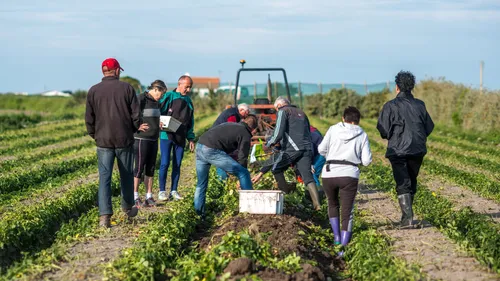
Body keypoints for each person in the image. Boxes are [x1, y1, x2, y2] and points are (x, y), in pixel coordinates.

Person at [85, 58, 147, 228]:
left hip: (103, 141)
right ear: (117, 71)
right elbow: (136, 115)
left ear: (103, 71)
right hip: (123, 139)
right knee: (126, 174)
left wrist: (95, 135)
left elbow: (89, 118)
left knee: (104, 177)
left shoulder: (93, 91)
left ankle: (104, 217)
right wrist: (135, 128)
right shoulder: (127, 88)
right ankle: (127, 209)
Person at [377, 71, 434, 227]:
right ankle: (407, 216)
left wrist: (392, 136)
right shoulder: (420, 105)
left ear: (397, 87)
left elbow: (383, 129)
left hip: (398, 150)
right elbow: (429, 127)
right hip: (418, 149)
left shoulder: (390, 106)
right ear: (412, 87)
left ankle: (407, 219)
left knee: (403, 182)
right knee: (412, 180)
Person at [318, 106, 372, 256]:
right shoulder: (362, 134)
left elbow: (321, 149)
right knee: (347, 211)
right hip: (349, 174)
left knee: (332, 204)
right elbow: (367, 161)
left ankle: (336, 237)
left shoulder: (333, 129)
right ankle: (343, 246)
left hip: (329, 172)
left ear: (343, 118)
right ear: (358, 120)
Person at [264, 96, 322, 210]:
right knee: (307, 177)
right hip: (307, 148)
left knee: (276, 169)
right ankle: (317, 205)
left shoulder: (282, 111)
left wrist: (268, 143)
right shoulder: (302, 113)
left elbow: (278, 133)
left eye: (276, 109)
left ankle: (286, 197)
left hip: (293, 148)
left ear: (279, 106)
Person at [194, 116, 258, 217]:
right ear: (253, 129)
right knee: (244, 173)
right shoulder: (245, 133)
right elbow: (242, 157)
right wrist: (240, 176)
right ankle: (251, 208)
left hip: (200, 145)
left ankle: (199, 215)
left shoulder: (231, 124)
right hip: (211, 150)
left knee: (201, 184)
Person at [158, 75, 195, 201]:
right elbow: (158, 110)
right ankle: (162, 191)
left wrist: (190, 138)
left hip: (181, 136)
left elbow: (191, 122)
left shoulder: (189, 102)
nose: (188, 90)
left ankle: (173, 190)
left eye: (190, 87)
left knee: (177, 164)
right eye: (187, 87)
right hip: (166, 135)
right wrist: (158, 121)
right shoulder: (169, 96)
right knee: (164, 163)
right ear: (180, 84)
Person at [133, 80, 167, 208]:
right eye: (161, 94)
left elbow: (154, 117)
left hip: (153, 138)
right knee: (139, 168)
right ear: (156, 89)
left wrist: (159, 124)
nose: (161, 97)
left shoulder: (157, 103)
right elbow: (131, 115)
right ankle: (135, 196)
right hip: (141, 139)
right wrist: (137, 126)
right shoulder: (141, 99)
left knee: (151, 168)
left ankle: (149, 196)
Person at [212, 103, 250, 180]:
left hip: (218, 138)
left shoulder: (233, 113)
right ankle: (223, 181)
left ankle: (226, 179)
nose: (246, 116)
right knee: (221, 160)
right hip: (218, 140)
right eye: (246, 113)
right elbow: (230, 130)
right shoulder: (233, 115)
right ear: (241, 110)